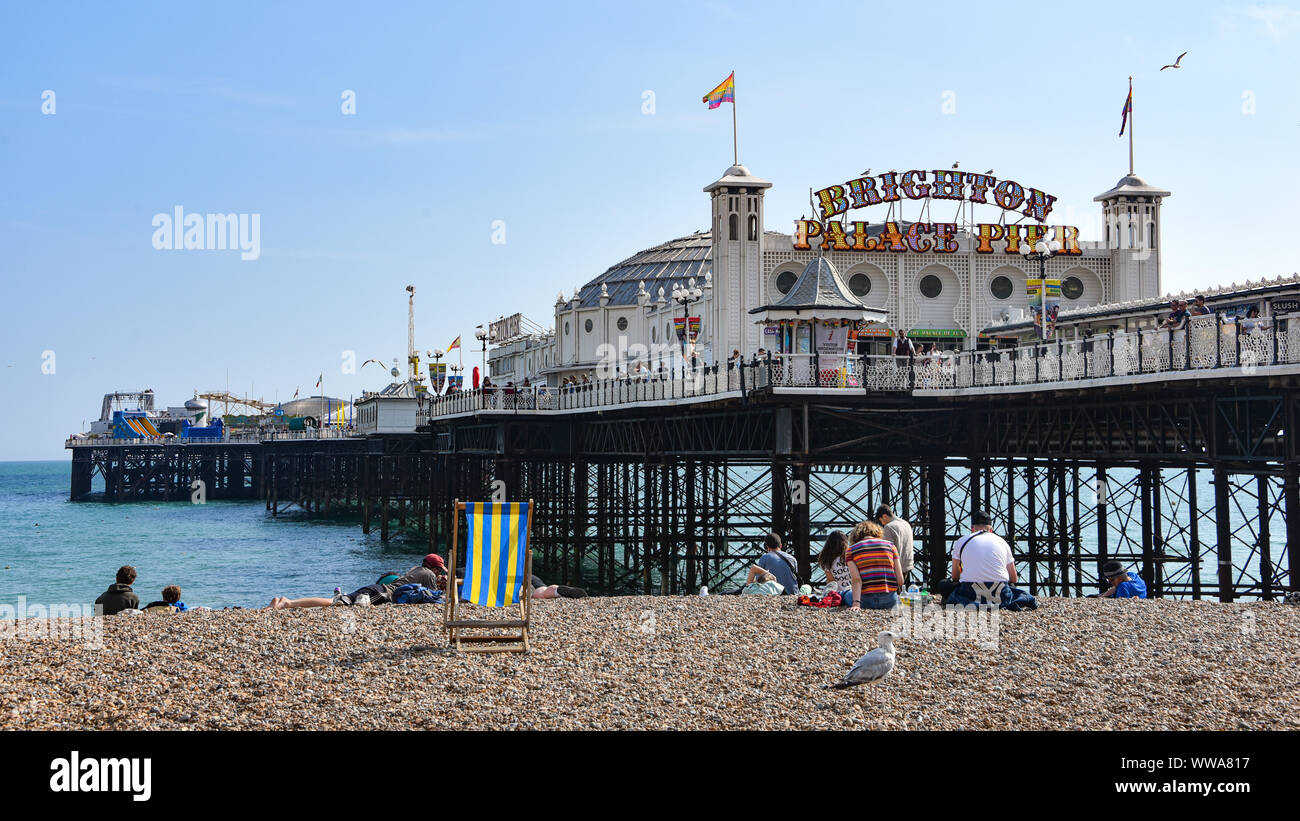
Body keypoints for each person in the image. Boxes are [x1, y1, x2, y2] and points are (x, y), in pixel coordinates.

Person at [267, 553, 450, 609]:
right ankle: (286, 603)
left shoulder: (416, 569)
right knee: (334, 604)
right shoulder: (429, 575)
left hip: (377, 588)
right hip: (382, 594)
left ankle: (286, 602)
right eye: (439, 570)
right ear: (434, 568)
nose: (438, 573)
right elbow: (433, 599)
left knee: (336, 601)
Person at [945, 511, 1037, 610]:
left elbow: (955, 576)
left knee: (943, 585)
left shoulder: (962, 541)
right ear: (991, 530)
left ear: (972, 528)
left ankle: (972, 602)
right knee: (1015, 592)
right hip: (1000, 593)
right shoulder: (1002, 542)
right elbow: (1013, 578)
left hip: (970, 592)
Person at [846, 520, 902, 610]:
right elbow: (900, 580)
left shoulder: (851, 550)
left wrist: (856, 604)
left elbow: (856, 580)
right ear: (877, 532)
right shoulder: (891, 546)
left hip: (865, 601)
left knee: (844, 594)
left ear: (855, 536)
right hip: (890, 601)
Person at [875, 505, 915, 584]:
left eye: (881, 520)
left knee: (894, 592)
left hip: (896, 567)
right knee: (901, 591)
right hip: (907, 564)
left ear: (885, 516)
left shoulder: (889, 527)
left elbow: (886, 550)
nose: (882, 524)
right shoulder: (906, 523)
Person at [817, 530, 854, 607]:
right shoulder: (850, 556)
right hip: (854, 592)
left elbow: (831, 581)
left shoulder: (826, 560)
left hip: (839, 595)